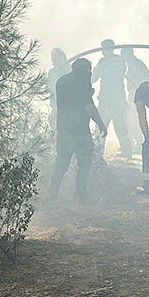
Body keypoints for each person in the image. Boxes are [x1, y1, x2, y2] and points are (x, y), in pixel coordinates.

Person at [49, 58, 108, 202]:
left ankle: (52, 194)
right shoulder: (83, 81)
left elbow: (70, 99)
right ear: (85, 70)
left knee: (61, 164)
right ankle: (80, 195)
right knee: (85, 163)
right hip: (80, 131)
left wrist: (87, 93)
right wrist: (101, 124)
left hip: (63, 128)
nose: (90, 74)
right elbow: (88, 107)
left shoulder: (62, 81)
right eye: (89, 70)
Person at [91, 39, 132, 158]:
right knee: (119, 124)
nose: (104, 51)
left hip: (111, 99)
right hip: (115, 98)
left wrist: (99, 69)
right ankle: (126, 151)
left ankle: (98, 152)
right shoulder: (118, 60)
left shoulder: (108, 61)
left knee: (103, 124)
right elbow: (94, 78)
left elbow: (94, 78)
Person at [47, 47, 72, 132]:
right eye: (53, 57)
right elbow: (48, 87)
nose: (54, 59)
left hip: (70, 106)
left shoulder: (70, 69)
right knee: (55, 128)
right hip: (56, 105)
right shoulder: (52, 72)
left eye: (56, 57)